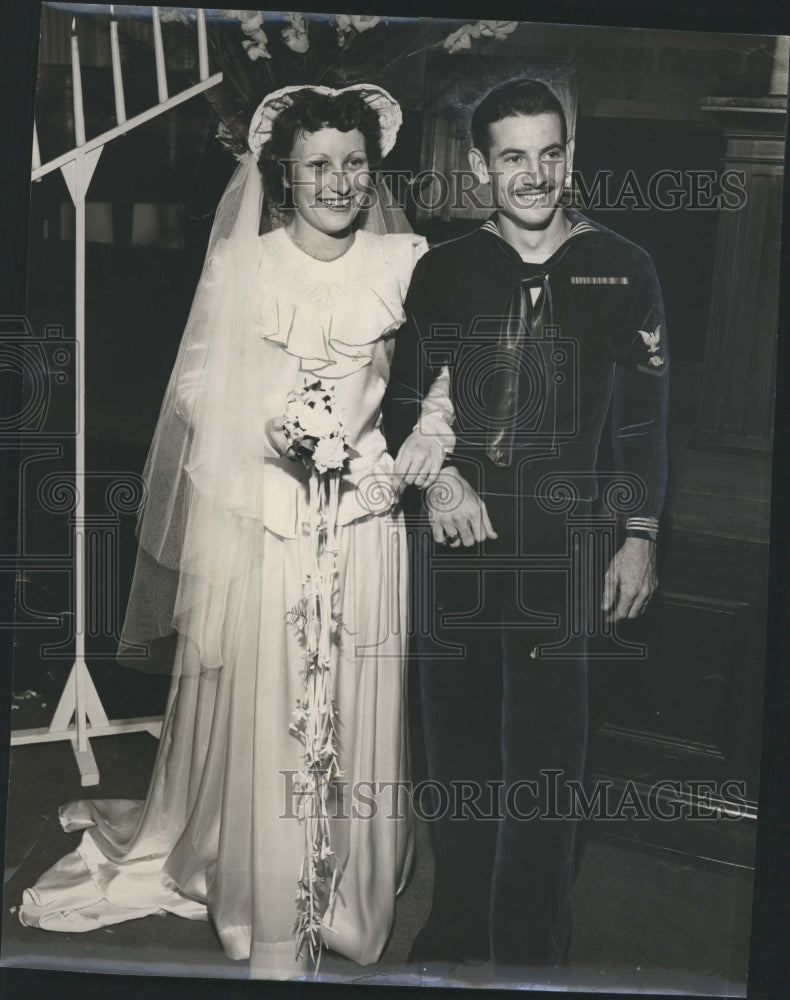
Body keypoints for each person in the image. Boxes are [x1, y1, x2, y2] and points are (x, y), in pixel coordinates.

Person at [19, 85, 453, 981]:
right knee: (273, 701)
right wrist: (279, 428)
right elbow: (195, 386)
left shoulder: (407, 257)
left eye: (353, 164)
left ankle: (350, 895)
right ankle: (263, 890)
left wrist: (421, 445)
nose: (339, 181)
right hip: (272, 518)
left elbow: (448, 373)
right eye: (318, 164)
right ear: (285, 174)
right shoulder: (246, 264)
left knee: (357, 701)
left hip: (367, 518)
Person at [384, 78, 669, 982]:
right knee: (456, 743)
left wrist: (639, 534)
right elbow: (397, 407)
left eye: (551, 152)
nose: (536, 173)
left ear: (571, 152)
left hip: (568, 548)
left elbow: (646, 421)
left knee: (548, 756)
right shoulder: (443, 269)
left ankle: (530, 948)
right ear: (480, 166)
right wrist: (445, 480)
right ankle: (456, 923)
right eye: (513, 156)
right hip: (458, 546)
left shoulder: (624, 266)